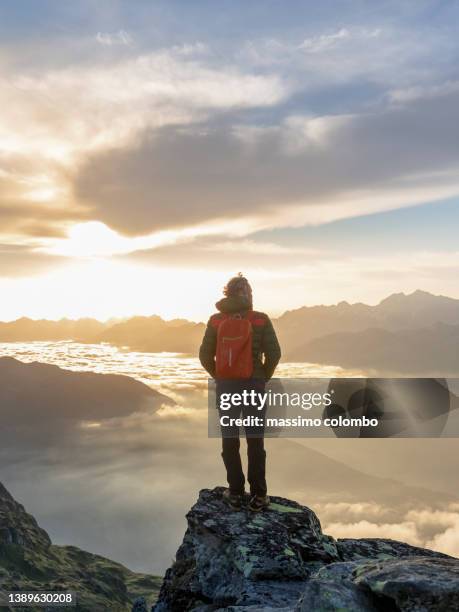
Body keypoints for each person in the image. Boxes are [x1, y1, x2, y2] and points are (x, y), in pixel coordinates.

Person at [199, 274, 281, 511]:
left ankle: (235, 492)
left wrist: (221, 376)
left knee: (229, 439)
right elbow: (274, 354)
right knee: (255, 441)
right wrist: (261, 377)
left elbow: (205, 355)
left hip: (227, 388)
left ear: (228, 293)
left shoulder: (216, 320)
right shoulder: (260, 320)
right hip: (254, 386)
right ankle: (258, 495)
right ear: (248, 295)